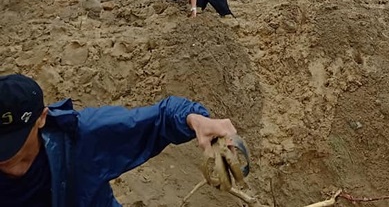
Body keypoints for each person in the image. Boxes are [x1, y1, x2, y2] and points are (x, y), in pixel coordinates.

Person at [0, 73, 238, 206]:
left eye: (11, 142)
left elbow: (160, 117)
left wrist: (194, 119)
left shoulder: (81, 135)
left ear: (42, 118)